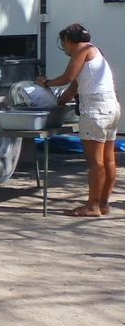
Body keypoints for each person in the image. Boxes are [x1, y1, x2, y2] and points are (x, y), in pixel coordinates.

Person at [39, 23, 119, 217]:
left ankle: (92, 206)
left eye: (63, 44)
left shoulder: (82, 49)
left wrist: (45, 83)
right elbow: (74, 87)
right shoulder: (95, 52)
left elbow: (67, 77)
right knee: (108, 159)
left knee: (95, 162)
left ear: (67, 40)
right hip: (111, 108)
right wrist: (58, 103)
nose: (64, 49)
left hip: (95, 110)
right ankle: (103, 204)